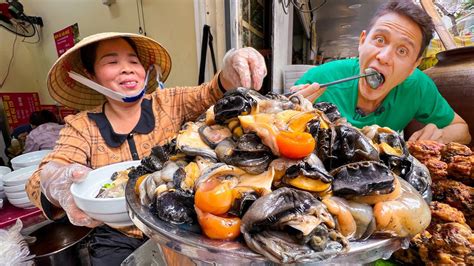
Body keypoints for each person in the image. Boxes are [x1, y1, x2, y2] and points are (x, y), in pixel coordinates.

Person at [25, 32, 266, 265]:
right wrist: (56, 181)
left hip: (177, 227)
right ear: (91, 74)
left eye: (133, 61)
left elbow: (211, 92)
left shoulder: (169, 102)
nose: (127, 68)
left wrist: (230, 69)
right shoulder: (81, 126)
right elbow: (42, 177)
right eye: (111, 61)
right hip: (116, 236)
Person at [291, 0, 471, 144]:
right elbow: (274, 127)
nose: (384, 57)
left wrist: (440, 136)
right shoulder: (320, 79)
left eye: (402, 51)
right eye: (379, 39)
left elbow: (462, 130)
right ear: (362, 42)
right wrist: (287, 114)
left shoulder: (418, 86)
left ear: (413, 66)